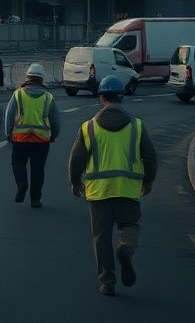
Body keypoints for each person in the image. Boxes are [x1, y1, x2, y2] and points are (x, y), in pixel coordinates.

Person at [68, 75, 159, 296]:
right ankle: (126, 246)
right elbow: (150, 157)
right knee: (130, 225)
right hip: (128, 189)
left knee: (101, 236)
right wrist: (148, 181)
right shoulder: (137, 126)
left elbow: (76, 159)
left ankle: (107, 282)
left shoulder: (88, 127)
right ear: (122, 97)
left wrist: (75, 182)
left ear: (102, 98)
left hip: (99, 192)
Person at [4, 63, 61, 208]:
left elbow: (9, 115)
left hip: (21, 139)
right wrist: (54, 135)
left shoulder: (18, 94)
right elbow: (55, 120)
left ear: (28, 77)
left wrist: (7, 133)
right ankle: (35, 199)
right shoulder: (48, 97)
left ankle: (22, 185)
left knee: (18, 163)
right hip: (41, 140)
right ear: (42, 79)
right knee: (38, 169)